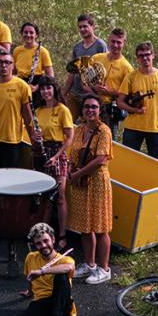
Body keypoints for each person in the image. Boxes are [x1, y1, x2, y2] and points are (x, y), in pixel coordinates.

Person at [0, 223, 76, 316]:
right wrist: (30, 292)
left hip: (62, 304)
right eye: (38, 243)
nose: (43, 245)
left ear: (53, 240)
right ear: (34, 244)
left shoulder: (65, 259)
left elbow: (69, 268)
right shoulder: (30, 258)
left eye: (46, 241)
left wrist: (43, 271)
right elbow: (31, 280)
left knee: (61, 277)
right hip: (43, 301)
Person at [68, 94, 113, 285]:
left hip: (97, 182)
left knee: (100, 227)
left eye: (94, 107)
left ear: (99, 110)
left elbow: (101, 159)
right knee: (85, 227)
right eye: (86, 107)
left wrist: (77, 175)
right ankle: (90, 264)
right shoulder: (79, 129)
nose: (90, 110)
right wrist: (71, 169)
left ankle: (104, 269)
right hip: (80, 182)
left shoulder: (104, 131)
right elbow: (73, 154)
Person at [32, 77, 73, 249]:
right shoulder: (39, 111)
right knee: (44, 197)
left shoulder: (63, 110)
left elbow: (69, 138)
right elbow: (34, 135)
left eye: (48, 88)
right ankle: (42, 235)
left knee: (60, 197)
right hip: (41, 153)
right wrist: (34, 137)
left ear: (54, 90)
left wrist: (56, 156)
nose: (45, 92)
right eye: (42, 89)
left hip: (57, 154)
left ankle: (62, 234)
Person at [117, 41, 158, 160]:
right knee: (129, 160)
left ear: (153, 55)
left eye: (147, 54)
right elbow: (120, 102)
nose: (145, 58)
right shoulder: (131, 77)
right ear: (137, 59)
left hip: (156, 127)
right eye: (141, 55)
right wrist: (133, 109)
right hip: (133, 127)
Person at [0, 51, 35, 169]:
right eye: (0, 62)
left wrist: (33, 141)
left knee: (9, 178)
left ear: (13, 66)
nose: (3, 65)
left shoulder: (22, 86)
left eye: (7, 62)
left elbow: (28, 116)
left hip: (12, 141)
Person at [62, 14, 107, 122]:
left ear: (93, 26)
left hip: (90, 96)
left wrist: (93, 89)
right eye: (80, 27)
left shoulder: (100, 45)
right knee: (67, 123)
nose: (82, 29)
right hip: (74, 93)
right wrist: (63, 93)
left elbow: (103, 71)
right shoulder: (77, 47)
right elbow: (72, 72)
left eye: (85, 26)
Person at [91, 28, 134, 140]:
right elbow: (85, 80)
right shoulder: (96, 58)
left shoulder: (127, 68)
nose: (115, 45)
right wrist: (92, 88)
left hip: (110, 110)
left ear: (124, 43)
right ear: (108, 40)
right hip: (92, 104)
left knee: (108, 142)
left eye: (119, 42)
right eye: (113, 41)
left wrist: (108, 92)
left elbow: (128, 96)